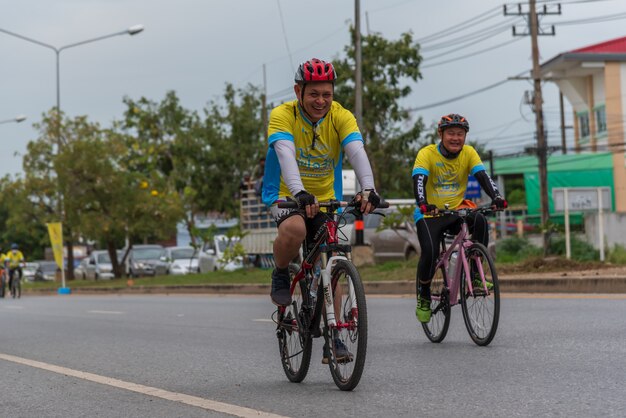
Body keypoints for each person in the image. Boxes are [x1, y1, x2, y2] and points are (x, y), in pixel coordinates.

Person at [262, 58, 382, 362]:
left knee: (331, 264)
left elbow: (355, 149)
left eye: (327, 94)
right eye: (314, 94)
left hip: (326, 197)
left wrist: (368, 188)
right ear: (298, 91)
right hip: (286, 195)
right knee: (296, 229)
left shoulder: (341, 116)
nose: (321, 101)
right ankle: (280, 271)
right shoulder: (282, 115)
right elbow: (286, 154)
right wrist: (300, 193)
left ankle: (334, 339)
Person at [412, 114, 507, 323]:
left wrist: (497, 197)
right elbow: (419, 180)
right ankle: (425, 295)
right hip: (430, 213)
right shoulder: (426, 154)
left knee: (480, 219)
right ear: (441, 134)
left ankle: (475, 274)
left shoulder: (469, 153)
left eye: (460, 134)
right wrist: (423, 203)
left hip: (456, 211)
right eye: (451, 134)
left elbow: (484, 177)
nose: (456, 138)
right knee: (429, 252)